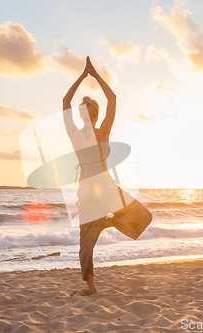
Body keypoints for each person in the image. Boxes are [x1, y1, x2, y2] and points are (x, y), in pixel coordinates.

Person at [63, 56, 152, 295]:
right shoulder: (103, 131)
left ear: (82, 115)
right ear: (96, 115)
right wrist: (95, 74)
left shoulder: (75, 134)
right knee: (144, 216)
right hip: (106, 187)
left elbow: (64, 101)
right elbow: (113, 98)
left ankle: (92, 288)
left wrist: (82, 77)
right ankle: (109, 221)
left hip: (87, 191)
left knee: (86, 243)